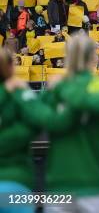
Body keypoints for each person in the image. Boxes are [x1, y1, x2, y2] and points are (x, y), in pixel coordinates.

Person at [14, 33, 99, 213]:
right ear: (93, 58)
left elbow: (32, 120)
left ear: (68, 58)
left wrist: (25, 94)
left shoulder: (56, 89)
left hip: (61, 186)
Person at [0, 48, 38, 213]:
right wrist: (25, 94)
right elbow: (39, 120)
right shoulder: (19, 94)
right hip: (15, 184)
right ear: (10, 68)